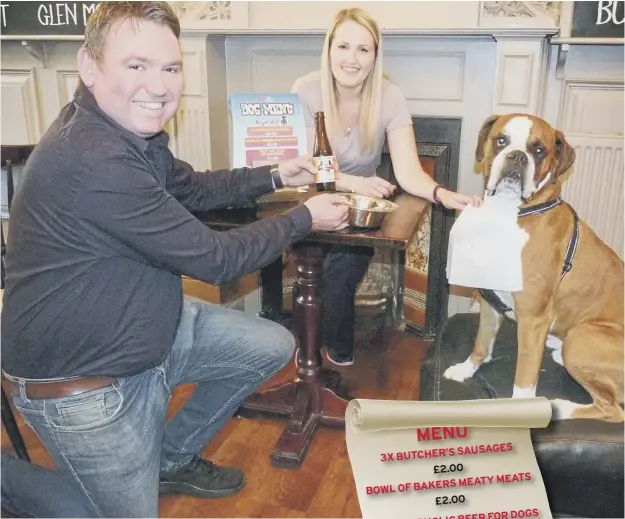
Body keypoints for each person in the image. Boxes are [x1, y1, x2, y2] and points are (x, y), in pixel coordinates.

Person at [0, 2, 348, 517]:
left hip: (146, 330)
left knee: (271, 344)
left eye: (170, 67)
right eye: (136, 66)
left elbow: (191, 186)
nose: (159, 86)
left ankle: (171, 456)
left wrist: (276, 174)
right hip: (83, 383)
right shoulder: (97, 158)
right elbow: (215, 259)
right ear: (90, 66)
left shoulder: (125, 133)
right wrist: (304, 219)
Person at [291, 7, 481, 367]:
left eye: (363, 49)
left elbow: (408, 171)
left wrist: (441, 194)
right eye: (343, 46)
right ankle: (314, 353)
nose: (352, 59)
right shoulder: (305, 90)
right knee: (317, 268)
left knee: (343, 268)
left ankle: (325, 350)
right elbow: (306, 167)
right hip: (314, 199)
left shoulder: (390, 96)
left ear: (375, 56)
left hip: (361, 208)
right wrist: (356, 182)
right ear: (329, 48)